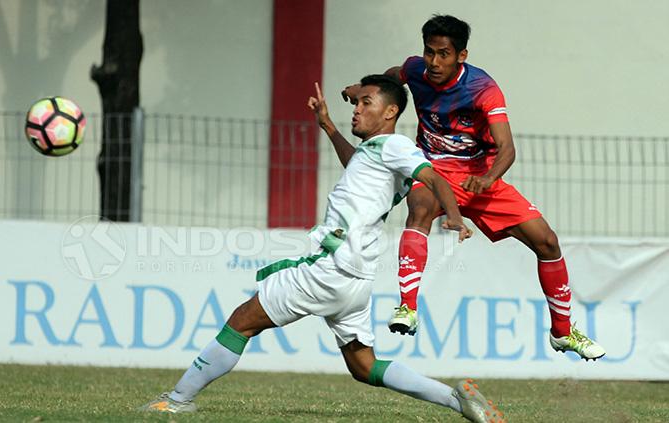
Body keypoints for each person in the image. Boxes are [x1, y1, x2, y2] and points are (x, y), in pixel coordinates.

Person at [139, 75, 505, 423]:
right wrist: (329, 126)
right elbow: (357, 163)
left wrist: (454, 216)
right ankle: (455, 400)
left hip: (331, 266)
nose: (357, 109)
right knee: (364, 367)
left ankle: (176, 401)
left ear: (391, 112)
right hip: (354, 281)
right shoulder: (376, 153)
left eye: (366, 102)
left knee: (241, 321)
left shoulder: (396, 145)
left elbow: (432, 176)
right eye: (357, 102)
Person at [340, 15, 605, 360]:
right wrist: (362, 90)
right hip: (432, 168)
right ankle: (407, 308)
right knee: (419, 209)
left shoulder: (483, 89)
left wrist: (488, 178)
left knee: (547, 241)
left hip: (480, 176)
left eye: (444, 54)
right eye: (430, 52)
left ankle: (563, 331)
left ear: (461, 55)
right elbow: (393, 76)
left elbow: (507, 148)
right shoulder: (416, 70)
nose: (434, 62)